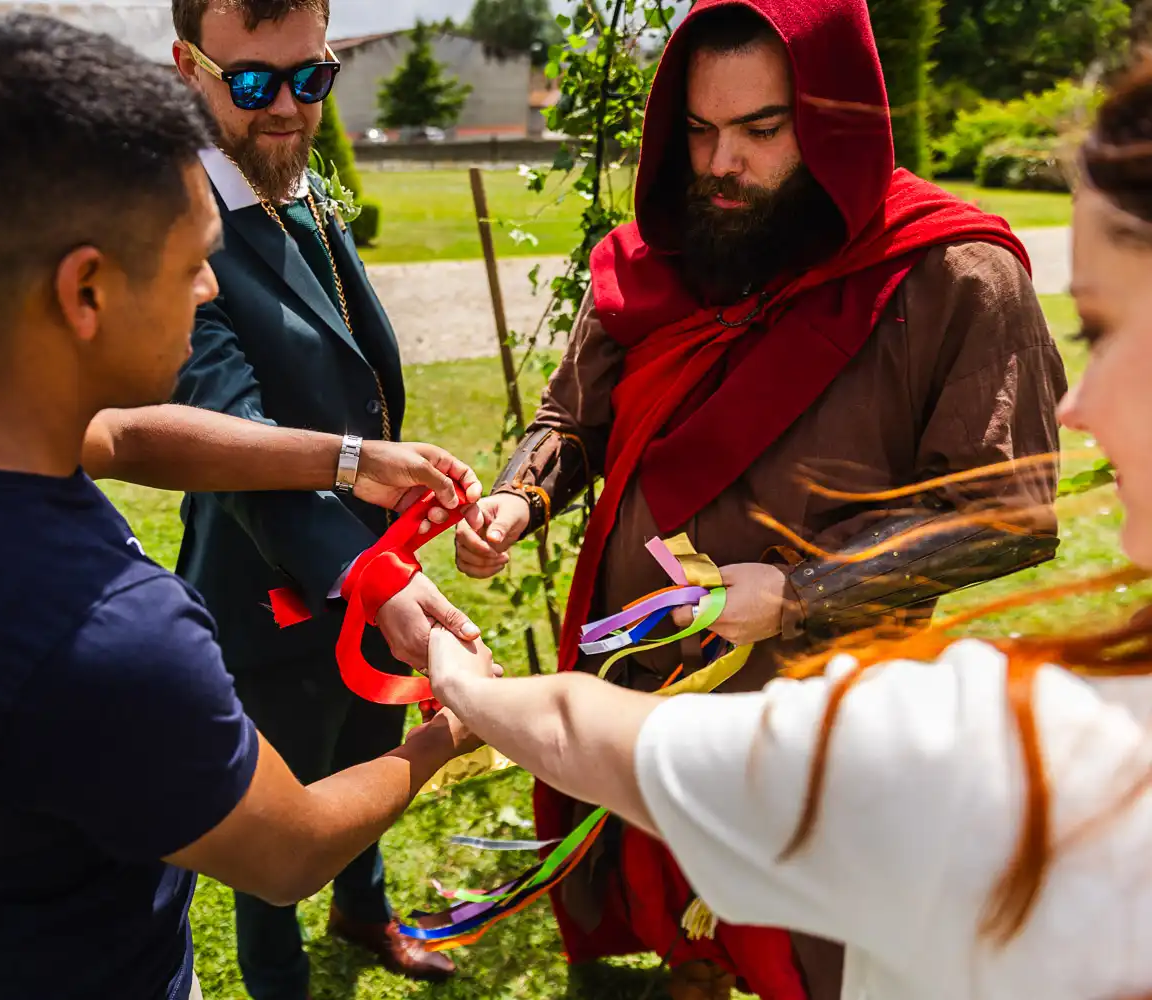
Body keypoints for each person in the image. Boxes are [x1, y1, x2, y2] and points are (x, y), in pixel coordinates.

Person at [0, 15, 490, 1000]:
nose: (205, 289)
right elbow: (288, 850)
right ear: (87, 291)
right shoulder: (109, 637)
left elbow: (129, 436)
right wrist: (455, 726)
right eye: (193, 263)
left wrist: (350, 457)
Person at [428, 53, 1152, 1000]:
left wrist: (802, 596)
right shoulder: (654, 257)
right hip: (630, 662)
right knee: (658, 908)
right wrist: (520, 499)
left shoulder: (953, 273)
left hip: (819, 693)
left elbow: (1006, 515)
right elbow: (575, 419)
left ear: (837, 124)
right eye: (697, 131)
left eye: (762, 131)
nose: (720, 162)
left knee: (810, 956)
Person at [169, 1, 470, 993]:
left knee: (366, 748)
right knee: (284, 812)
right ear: (188, 67)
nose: (290, 107)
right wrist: (368, 570)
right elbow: (236, 441)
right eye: (255, 82)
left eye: (314, 77)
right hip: (270, 590)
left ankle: (362, 908)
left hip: (370, 571)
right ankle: (276, 974)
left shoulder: (287, 183)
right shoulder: (178, 235)